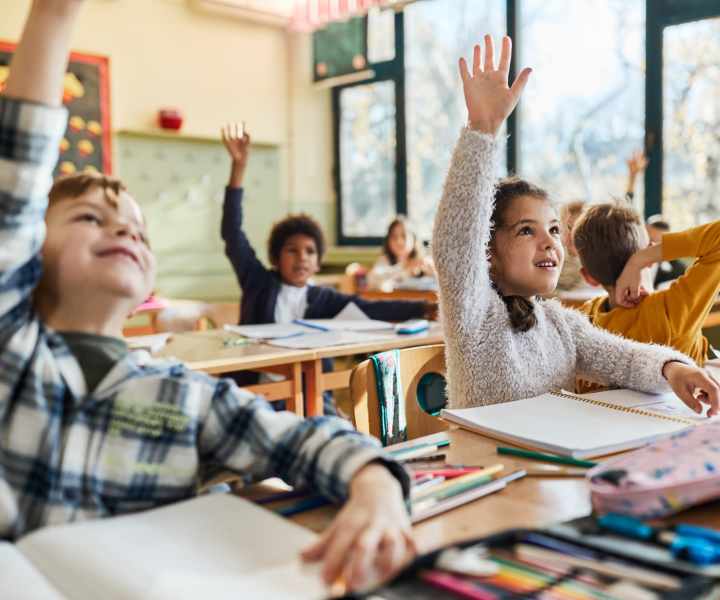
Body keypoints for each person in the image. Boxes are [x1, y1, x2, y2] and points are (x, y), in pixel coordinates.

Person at [0, 2, 414, 591]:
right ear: (26, 253)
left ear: (147, 279)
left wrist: (376, 483)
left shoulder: (184, 396)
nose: (122, 230)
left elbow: (300, 435)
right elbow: (16, 179)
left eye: (138, 231)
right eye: (91, 218)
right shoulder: (12, 350)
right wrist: (56, 15)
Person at [431, 34, 718, 416]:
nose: (549, 243)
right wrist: (483, 129)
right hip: (493, 466)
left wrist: (673, 367)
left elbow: (626, 359)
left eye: (552, 229)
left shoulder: (562, 323)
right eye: (525, 230)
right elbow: (455, 243)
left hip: (549, 469)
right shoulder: (474, 313)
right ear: (487, 250)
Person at [220, 125, 436, 413]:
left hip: (311, 396)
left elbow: (370, 308)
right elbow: (232, 233)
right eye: (292, 250)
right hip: (258, 394)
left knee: (337, 424)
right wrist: (238, 169)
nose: (302, 258)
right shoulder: (258, 282)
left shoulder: (322, 298)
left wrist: (424, 309)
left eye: (310, 251)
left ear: (319, 260)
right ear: (275, 256)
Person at [574, 203, 720, 366]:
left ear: (588, 277)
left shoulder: (584, 318)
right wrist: (639, 260)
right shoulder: (672, 310)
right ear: (650, 253)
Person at [367, 217, 435, 292]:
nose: (399, 241)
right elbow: (371, 280)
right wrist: (403, 268)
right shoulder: (384, 261)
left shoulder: (423, 261)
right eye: (394, 237)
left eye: (404, 236)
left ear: (414, 238)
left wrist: (431, 271)